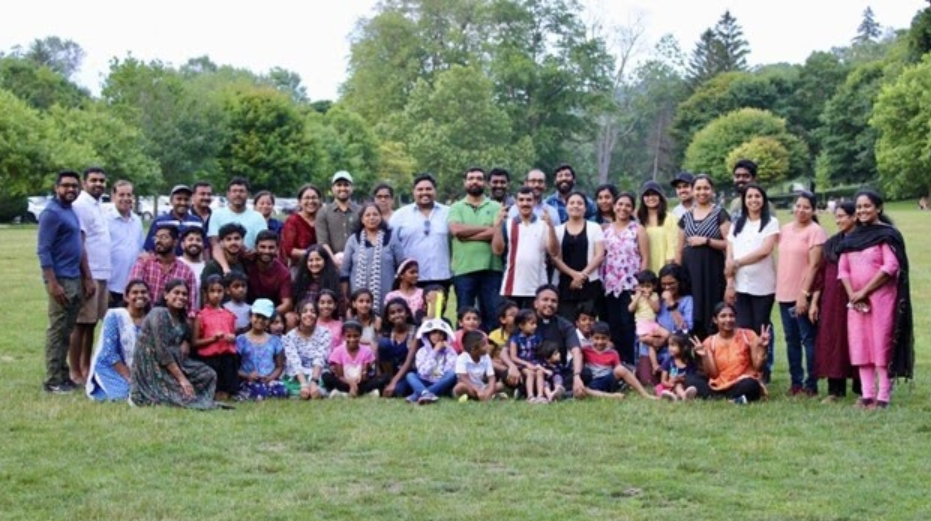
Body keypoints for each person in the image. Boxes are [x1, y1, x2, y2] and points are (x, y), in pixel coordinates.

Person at [838, 190, 913, 408]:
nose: (862, 210)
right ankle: (867, 395)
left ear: (878, 208)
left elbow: (891, 266)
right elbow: (843, 270)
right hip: (856, 303)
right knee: (860, 345)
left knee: (880, 345)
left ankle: (883, 397)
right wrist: (853, 294)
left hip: (881, 299)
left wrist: (865, 291)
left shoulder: (887, 235)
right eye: (859, 207)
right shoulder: (851, 238)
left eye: (867, 206)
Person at [39, 171, 93, 393]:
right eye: (66, 186)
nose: (70, 190)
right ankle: (53, 380)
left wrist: (85, 277)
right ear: (56, 187)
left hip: (74, 277)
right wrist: (52, 283)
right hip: (60, 278)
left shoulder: (69, 211)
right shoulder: (51, 213)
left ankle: (63, 374)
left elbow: (78, 246)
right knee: (57, 330)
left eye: (74, 186)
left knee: (67, 329)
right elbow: (43, 250)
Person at [129, 279, 219, 409]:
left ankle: (193, 395)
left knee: (208, 374)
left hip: (177, 363)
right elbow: (162, 352)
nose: (180, 297)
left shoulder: (183, 319)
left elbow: (187, 340)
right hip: (153, 367)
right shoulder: (158, 313)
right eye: (176, 293)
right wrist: (182, 379)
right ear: (166, 295)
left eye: (184, 294)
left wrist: (186, 342)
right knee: (182, 397)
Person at [725, 184, 779, 383]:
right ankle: (746, 370)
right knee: (744, 328)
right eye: (749, 196)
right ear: (744, 200)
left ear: (763, 200)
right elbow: (729, 255)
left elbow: (765, 251)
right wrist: (730, 281)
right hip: (741, 285)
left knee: (761, 328)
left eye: (757, 196)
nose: (753, 200)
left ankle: (763, 370)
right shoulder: (737, 224)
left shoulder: (771, 223)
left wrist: (738, 262)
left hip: (763, 286)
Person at [776, 191, 826, 396]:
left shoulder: (816, 231)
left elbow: (815, 266)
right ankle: (795, 382)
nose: (801, 210)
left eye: (806, 207)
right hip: (783, 293)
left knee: (808, 339)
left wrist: (804, 294)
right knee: (791, 339)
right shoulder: (785, 229)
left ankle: (811, 384)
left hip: (801, 293)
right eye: (798, 206)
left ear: (813, 210)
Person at [810, 201, 859, 402]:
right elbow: (821, 274)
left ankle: (862, 390)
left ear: (854, 217)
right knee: (833, 340)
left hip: (856, 297)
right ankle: (835, 390)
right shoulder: (832, 243)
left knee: (856, 341)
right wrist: (814, 302)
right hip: (831, 301)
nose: (838, 220)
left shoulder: (864, 241)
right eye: (836, 217)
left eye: (842, 216)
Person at [448, 167, 504, 331]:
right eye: (471, 178)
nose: (474, 181)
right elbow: (456, 231)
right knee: (464, 314)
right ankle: (464, 352)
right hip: (464, 270)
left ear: (485, 183)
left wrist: (467, 235)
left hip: (491, 269)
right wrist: (486, 230)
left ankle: (491, 353)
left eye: (479, 178)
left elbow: (497, 232)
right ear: (464, 182)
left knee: (493, 315)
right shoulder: (456, 207)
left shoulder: (495, 206)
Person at [675, 175, 730, 340]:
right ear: (692, 191)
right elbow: (679, 249)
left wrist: (706, 241)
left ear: (712, 190)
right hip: (691, 273)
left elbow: (730, 243)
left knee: (711, 310)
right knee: (694, 312)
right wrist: (677, 275)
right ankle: (696, 357)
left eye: (706, 188)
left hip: (712, 272)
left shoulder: (720, 213)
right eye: (698, 188)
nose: (702, 192)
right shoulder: (686, 217)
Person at [70, 167, 111, 385]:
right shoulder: (81, 206)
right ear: (85, 182)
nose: (98, 184)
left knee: (92, 323)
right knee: (80, 323)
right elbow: (80, 243)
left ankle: (87, 367)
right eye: (94, 180)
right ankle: (74, 370)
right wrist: (86, 277)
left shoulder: (98, 206)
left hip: (103, 273)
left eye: (102, 181)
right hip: (89, 273)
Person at [685, 302, 770, 403]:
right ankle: (733, 399)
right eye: (723, 316)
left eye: (731, 316)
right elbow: (714, 375)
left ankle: (718, 398)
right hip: (719, 385)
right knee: (690, 379)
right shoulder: (710, 342)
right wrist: (705, 356)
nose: (728, 320)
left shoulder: (748, 335)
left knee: (751, 384)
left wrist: (764, 348)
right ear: (715, 320)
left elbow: (757, 367)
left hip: (742, 382)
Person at [492, 187, 558, 310]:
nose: (525, 203)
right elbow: (497, 250)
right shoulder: (507, 224)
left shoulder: (544, 225)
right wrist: (497, 226)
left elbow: (554, 252)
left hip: (538, 286)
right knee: (512, 324)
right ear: (516, 203)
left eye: (529, 200)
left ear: (534, 202)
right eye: (521, 200)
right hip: (512, 286)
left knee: (534, 325)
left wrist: (551, 227)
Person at [602, 191, 648, 364]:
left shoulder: (638, 229)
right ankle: (616, 362)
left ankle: (630, 362)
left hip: (631, 284)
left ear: (632, 209)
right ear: (614, 207)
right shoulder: (605, 229)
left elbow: (645, 258)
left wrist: (641, 285)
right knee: (613, 324)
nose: (623, 208)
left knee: (628, 324)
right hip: (610, 285)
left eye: (627, 205)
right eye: (620, 204)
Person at [86, 280, 150, 401]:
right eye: (134, 292)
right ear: (126, 297)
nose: (140, 295)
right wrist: (129, 378)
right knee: (125, 394)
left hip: (139, 369)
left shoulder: (150, 319)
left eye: (144, 292)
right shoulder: (115, 316)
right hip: (111, 366)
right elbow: (110, 353)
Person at [390, 173, 452, 294]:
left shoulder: (448, 213)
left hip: (440, 276)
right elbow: (392, 245)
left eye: (428, 189)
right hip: (410, 278)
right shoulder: (399, 215)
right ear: (413, 192)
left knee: (436, 313)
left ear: (435, 191)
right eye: (420, 189)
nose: (424, 192)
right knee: (410, 312)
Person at [341, 203, 404, 314]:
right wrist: (345, 296)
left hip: (386, 295)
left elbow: (402, 267)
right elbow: (345, 270)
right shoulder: (353, 240)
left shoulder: (391, 238)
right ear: (362, 219)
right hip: (358, 296)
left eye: (375, 214)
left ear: (380, 217)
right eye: (368, 215)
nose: (372, 217)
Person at [552, 191, 605, 320]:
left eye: (580, 203)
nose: (576, 206)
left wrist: (582, 275)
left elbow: (600, 254)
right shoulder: (558, 230)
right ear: (566, 206)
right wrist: (573, 275)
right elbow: (555, 258)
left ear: (585, 208)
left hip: (590, 284)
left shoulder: (595, 228)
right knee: (566, 322)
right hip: (565, 284)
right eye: (572, 203)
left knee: (588, 323)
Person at [128, 225, 198, 315]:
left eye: (164, 237)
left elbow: (191, 307)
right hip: (144, 319)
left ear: (175, 242)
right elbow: (131, 295)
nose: (158, 241)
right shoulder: (143, 264)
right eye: (156, 238)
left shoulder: (186, 271)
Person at [577, 322, 655, 400]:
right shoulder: (585, 350)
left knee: (620, 369)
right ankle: (611, 397)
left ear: (608, 338)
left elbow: (619, 370)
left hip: (608, 381)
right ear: (591, 337)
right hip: (592, 383)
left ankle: (645, 394)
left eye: (603, 338)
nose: (600, 342)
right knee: (583, 389)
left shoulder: (613, 353)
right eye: (596, 338)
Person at [207, 177, 267, 273]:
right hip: (222, 266)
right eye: (234, 191)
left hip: (251, 265)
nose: (238, 194)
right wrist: (226, 268)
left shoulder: (258, 217)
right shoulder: (217, 214)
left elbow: (264, 243)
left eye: (241, 191)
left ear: (248, 194)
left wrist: (254, 251)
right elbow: (215, 244)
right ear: (228, 194)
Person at [193, 274, 238, 400]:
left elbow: (233, 336)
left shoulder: (229, 315)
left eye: (219, 291)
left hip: (227, 358)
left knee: (228, 389)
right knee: (214, 390)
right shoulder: (201, 316)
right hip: (210, 359)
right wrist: (213, 339)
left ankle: (229, 392)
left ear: (225, 292)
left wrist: (232, 338)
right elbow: (195, 342)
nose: (216, 295)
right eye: (212, 291)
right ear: (206, 293)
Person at [236, 299, 288, 400]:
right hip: (249, 380)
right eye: (257, 316)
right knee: (259, 392)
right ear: (251, 317)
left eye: (264, 318)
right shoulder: (241, 340)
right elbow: (234, 368)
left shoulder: (275, 340)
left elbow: (279, 366)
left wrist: (270, 378)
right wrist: (248, 376)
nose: (260, 320)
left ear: (269, 321)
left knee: (282, 390)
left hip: (268, 379)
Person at [323, 320, 389, 398]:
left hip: (361, 382)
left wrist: (360, 378)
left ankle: (344, 394)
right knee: (326, 376)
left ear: (360, 336)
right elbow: (340, 376)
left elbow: (364, 374)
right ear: (344, 336)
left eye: (356, 336)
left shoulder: (366, 351)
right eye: (349, 336)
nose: (352, 339)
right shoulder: (338, 351)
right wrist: (351, 383)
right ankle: (363, 393)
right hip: (344, 381)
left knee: (385, 376)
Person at [281, 299, 332, 399]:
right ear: (298, 315)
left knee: (325, 382)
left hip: (318, 373)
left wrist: (313, 382)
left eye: (313, 312)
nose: (309, 314)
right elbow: (294, 361)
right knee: (288, 387)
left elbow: (320, 358)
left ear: (317, 315)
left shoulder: (325, 333)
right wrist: (304, 384)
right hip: (297, 374)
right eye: (304, 311)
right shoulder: (289, 337)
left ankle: (316, 390)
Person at [106, 180, 144, 308]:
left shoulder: (137, 221)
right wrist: (105, 286)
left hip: (132, 287)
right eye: (121, 195)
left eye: (129, 195)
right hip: (112, 285)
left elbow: (140, 251)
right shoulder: (106, 220)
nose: (126, 198)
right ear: (113, 196)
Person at [405, 318, 458, 404]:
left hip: (441, 382)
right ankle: (425, 393)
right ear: (428, 335)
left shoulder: (449, 350)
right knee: (410, 375)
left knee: (452, 374)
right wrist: (434, 352)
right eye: (434, 333)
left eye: (441, 333)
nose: (437, 336)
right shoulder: (422, 351)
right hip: (425, 380)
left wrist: (449, 350)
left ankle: (419, 395)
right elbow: (423, 372)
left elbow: (453, 367)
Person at [143, 184, 206, 257]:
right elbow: (150, 249)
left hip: (191, 265)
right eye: (179, 199)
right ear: (171, 200)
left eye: (186, 199)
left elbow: (205, 247)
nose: (183, 203)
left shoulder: (197, 222)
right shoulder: (159, 222)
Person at [244, 230, 293, 319]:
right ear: (256, 247)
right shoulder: (247, 262)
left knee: (290, 318)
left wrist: (266, 315)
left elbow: (287, 303)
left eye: (271, 248)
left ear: (277, 249)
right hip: (247, 309)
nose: (266, 251)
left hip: (272, 312)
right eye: (262, 247)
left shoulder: (283, 273)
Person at [315, 171, 359, 267]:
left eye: (346, 185)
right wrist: (334, 261)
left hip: (357, 263)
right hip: (331, 263)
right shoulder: (323, 212)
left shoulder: (360, 212)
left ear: (352, 188)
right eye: (339, 185)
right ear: (332, 188)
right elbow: (323, 242)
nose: (342, 188)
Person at [377, 297, 417, 399]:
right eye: (392, 313)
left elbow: (409, 361)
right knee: (383, 343)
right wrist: (390, 381)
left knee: (397, 391)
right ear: (389, 317)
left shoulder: (416, 332)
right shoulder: (387, 333)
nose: (397, 315)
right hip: (391, 372)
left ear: (407, 313)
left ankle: (396, 385)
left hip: (409, 372)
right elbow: (381, 356)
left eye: (400, 311)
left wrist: (393, 383)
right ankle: (389, 382)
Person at [629, 269, 666, 375]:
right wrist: (637, 297)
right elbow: (630, 309)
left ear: (654, 286)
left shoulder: (654, 296)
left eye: (648, 286)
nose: (645, 289)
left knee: (666, 334)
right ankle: (654, 366)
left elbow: (657, 309)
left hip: (653, 324)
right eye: (642, 286)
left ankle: (659, 346)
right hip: (642, 325)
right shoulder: (636, 296)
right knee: (650, 346)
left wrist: (649, 298)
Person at [280, 184, 322, 276]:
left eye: (314, 198)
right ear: (299, 202)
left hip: (323, 266)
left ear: (319, 200)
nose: (310, 201)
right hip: (299, 267)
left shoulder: (323, 219)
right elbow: (288, 249)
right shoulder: (293, 221)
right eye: (306, 198)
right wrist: (312, 255)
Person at [639, 181, 678, 274]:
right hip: (645, 268)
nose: (651, 198)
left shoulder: (670, 218)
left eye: (654, 194)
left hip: (665, 268)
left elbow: (673, 246)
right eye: (647, 195)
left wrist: (668, 269)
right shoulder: (640, 220)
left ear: (660, 197)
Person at [506, 309, 545, 402]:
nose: (535, 326)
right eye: (532, 324)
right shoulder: (515, 339)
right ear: (521, 325)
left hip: (534, 362)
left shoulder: (537, 338)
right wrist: (526, 364)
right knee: (530, 373)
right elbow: (513, 357)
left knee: (540, 372)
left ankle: (540, 395)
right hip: (522, 364)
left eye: (536, 323)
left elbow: (539, 352)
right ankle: (530, 396)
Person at [453, 330, 500, 402]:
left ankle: (484, 395)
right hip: (469, 386)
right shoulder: (462, 358)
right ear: (473, 349)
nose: (488, 346)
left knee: (500, 385)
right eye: (484, 345)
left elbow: (491, 377)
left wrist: (489, 391)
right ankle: (482, 396)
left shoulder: (486, 357)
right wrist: (478, 391)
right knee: (460, 387)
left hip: (481, 386)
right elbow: (463, 378)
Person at [292, 245, 341, 311]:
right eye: (310, 260)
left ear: (325, 261)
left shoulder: (333, 279)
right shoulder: (301, 279)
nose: (314, 263)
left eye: (318, 259)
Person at [655, 333, 698, 401]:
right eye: (669, 345)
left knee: (679, 385)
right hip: (669, 385)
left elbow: (692, 378)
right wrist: (671, 384)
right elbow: (663, 381)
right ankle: (681, 396)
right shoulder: (668, 361)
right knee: (667, 388)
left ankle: (681, 396)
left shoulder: (689, 363)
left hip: (683, 386)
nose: (670, 348)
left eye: (673, 345)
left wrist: (681, 379)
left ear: (684, 347)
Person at [179, 228, 206, 308]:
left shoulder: (206, 267)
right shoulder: (176, 264)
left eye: (198, 240)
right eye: (190, 239)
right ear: (182, 245)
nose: (194, 243)